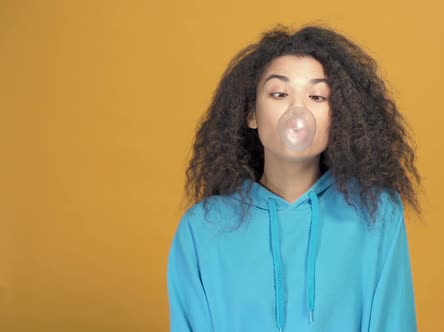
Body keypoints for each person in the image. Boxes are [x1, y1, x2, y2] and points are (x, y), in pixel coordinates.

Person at [167, 24, 422, 332]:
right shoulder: (203, 228)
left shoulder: (377, 214)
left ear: (337, 116)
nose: (297, 110)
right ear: (251, 113)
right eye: (279, 93)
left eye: (317, 96)